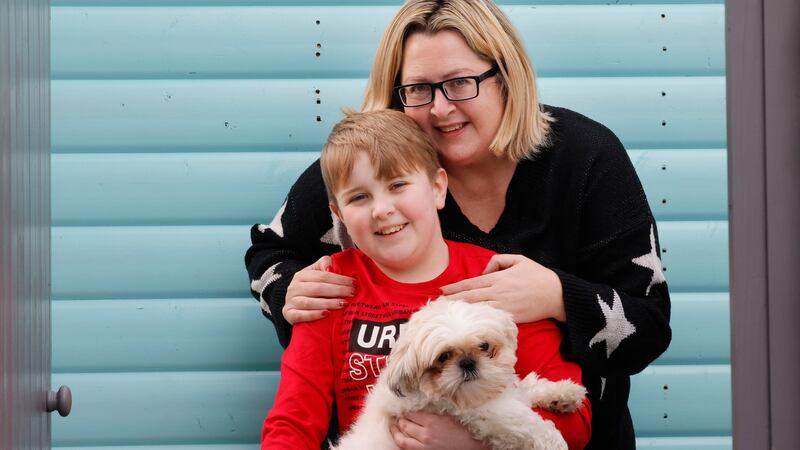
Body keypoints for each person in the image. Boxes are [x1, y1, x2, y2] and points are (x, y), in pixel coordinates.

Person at [245, 1, 671, 449]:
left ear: (505, 76)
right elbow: (269, 252)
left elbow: (649, 325)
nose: (441, 108)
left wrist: (557, 296)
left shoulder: (585, 158)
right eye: (419, 89)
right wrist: (289, 290)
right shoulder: (376, 165)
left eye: (461, 83)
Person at [261, 109, 591, 450]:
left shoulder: (497, 277)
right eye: (359, 197)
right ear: (339, 215)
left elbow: (575, 424)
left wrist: (472, 445)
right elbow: (293, 425)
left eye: (398, 185)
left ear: (437, 187)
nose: (381, 209)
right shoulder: (329, 288)